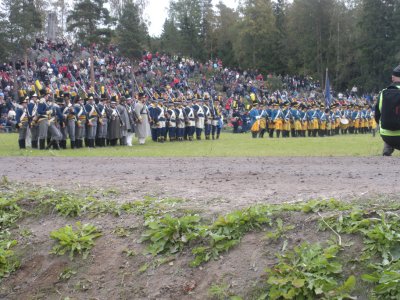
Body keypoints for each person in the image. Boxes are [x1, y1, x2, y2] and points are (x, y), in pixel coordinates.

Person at [375, 65, 400, 156]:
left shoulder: (383, 92)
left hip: (386, 135)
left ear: (393, 78)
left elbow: (377, 115)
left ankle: (388, 146)